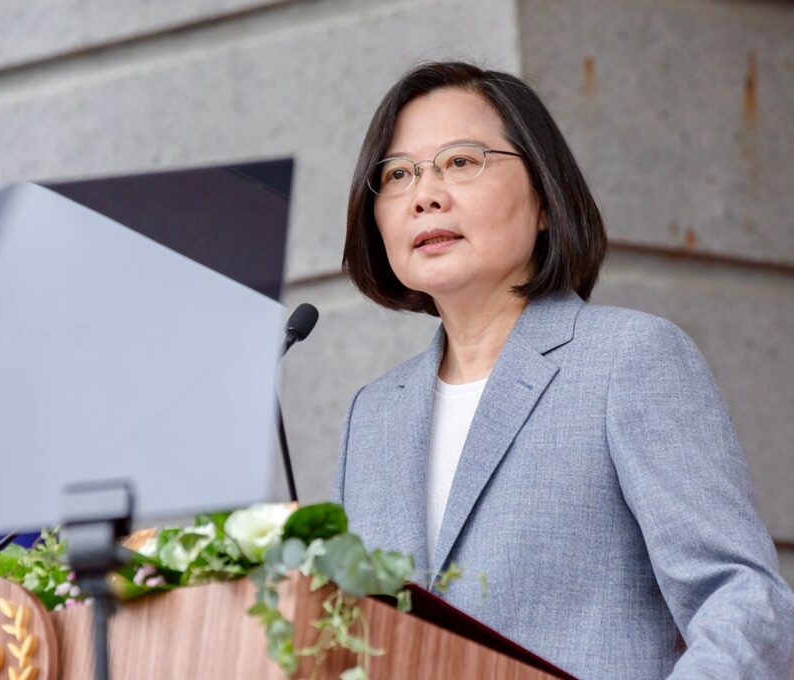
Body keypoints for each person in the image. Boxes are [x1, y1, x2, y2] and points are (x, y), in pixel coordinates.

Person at [331, 61, 794, 679]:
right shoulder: (373, 415)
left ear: (545, 200)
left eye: (461, 162)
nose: (426, 193)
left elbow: (741, 601)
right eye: (397, 174)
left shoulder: (627, 360)